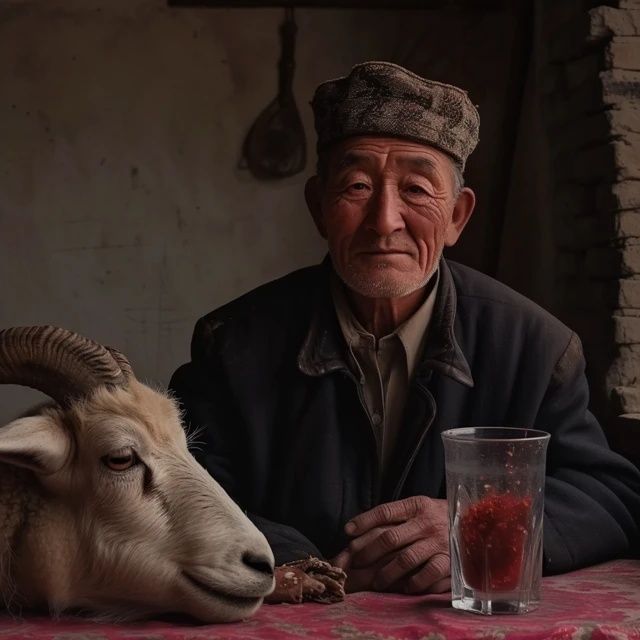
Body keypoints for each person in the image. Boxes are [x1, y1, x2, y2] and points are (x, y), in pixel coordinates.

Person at [169, 61, 640, 601]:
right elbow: (180, 490)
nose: (384, 219)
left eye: (416, 189)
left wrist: (476, 527)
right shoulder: (234, 345)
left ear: (458, 216)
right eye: (357, 185)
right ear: (319, 208)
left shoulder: (534, 348)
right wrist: (309, 563)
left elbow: (609, 496)